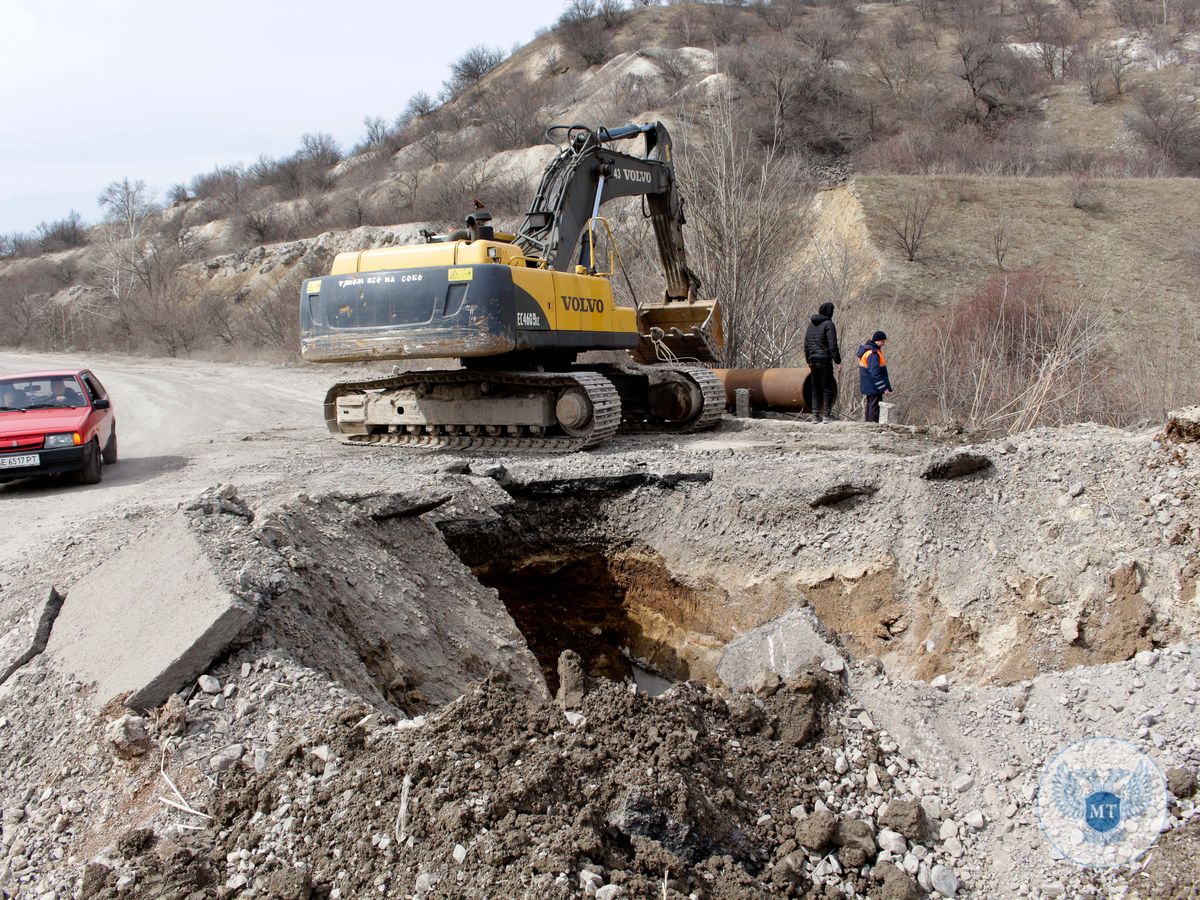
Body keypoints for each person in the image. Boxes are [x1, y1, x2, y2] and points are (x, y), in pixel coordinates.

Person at [804, 301, 841, 423]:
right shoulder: (828, 324)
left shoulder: (810, 325)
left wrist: (808, 360)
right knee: (827, 388)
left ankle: (815, 416)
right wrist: (837, 361)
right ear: (829, 311)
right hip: (824, 360)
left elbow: (806, 345)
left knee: (815, 388)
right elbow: (833, 345)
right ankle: (826, 416)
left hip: (813, 360)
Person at [858, 330, 893, 423]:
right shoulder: (873, 354)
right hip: (873, 385)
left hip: (868, 384)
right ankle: (872, 425)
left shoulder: (868, 351)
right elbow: (875, 374)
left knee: (870, 405)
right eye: (882, 341)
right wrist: (884, 388)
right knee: (874, 407)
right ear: (877, 341)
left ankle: (868, 424)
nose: (883, 343)